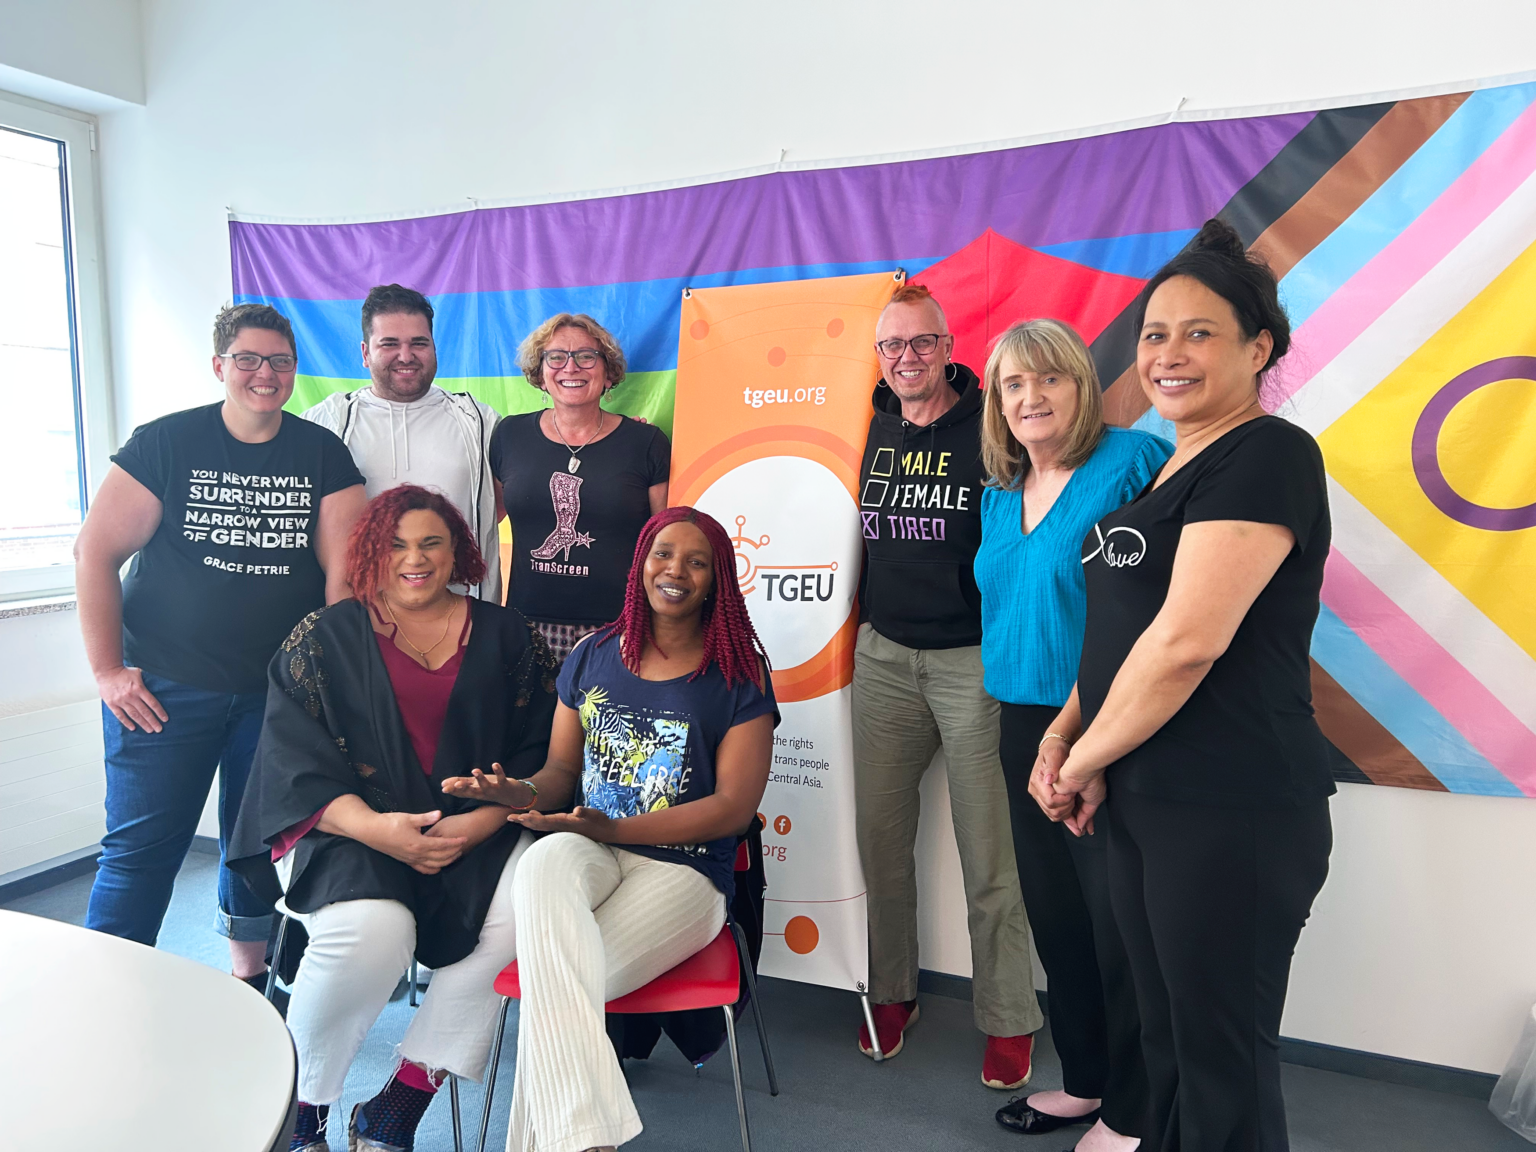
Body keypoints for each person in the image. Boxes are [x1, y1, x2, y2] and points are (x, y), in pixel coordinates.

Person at [1036, 219, 1334, 1152]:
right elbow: (1127, 638)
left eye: (1200, 333)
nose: (1168, 354)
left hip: (1230, 805)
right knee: (1165, 1043)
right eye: (1156, 334)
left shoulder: (1271, 455)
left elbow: (1186, 643)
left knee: (1219, 1063)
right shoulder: (1172, 466)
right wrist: (1064, 734)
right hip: (1147, 795)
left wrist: (1081, 759)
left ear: (1259, 348)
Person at [228, 485, 558, 1152]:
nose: (416, 558)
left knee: (528, 912)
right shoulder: (322, 638)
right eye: (398, 544)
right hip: (349, 826)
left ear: (458, 551)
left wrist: (486, 819)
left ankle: (401, 1101)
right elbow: (291, 761)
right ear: (371, 554)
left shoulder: (506, 633)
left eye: (432, 542)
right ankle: (305, 1114)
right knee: (371, 928)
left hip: (475, 826)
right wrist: (379, 831)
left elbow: (542, 748)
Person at [441, 506, 776, 1152]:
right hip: (590, 844)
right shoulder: (596, 655)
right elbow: (563, 770)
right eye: (662, 554)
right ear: (639, 565)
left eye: (696, 561)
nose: (674, 570)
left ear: (716, 580)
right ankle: (587, 1138)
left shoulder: (738, 674)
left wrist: (618, 832)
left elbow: (735, 807)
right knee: (539, 864)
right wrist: (520, 792)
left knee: (552, 983)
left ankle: (569, 1143)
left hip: (684, 868)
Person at [73, 303, 366, 995]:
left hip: (276, 692)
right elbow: (95, 553)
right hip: (163, 690)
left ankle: (248, 980)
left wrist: (334, 686)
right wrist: (108, 670)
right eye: (249, 360)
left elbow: (343, 581)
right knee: (142, 850)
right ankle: (99, 992)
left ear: (296, 370)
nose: (265, 374)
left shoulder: (322, 453)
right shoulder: (166, 443)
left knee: (255, 848)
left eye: (280, 362)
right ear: (220, 366)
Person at [973, 319, 1171, 1151]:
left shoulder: (1129, 464)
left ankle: (1135, 1108)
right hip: (1020, 728)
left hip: (1104, 728)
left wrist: (1085, 741)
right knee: (1058, 919)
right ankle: (1088, 1081)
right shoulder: (997, 491)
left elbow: (1161, 607)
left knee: (1120, 926)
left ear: (1081, 385)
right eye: (1013, 386)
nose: (1030, 398)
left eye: (1047, 379)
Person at [851, 282, 1041, 1089]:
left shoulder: (991, 429)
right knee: (880, 844)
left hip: (974, 664)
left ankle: (1008, 1017)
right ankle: (893, 992)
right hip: (882, 658)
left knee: (989, 855)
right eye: (892, 346)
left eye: (921, 343)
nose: (906, 359)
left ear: (949, 345)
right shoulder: (867, 427)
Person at [303, 284, 504, 602]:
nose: (406, 356)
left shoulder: (480, 421)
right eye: (390, 344)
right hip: (363, 626)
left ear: (435, 347)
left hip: (465, 628)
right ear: (365, 353)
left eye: (419, 343)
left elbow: (501, 506)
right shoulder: (325, 423)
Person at [490, 313, 669, 661]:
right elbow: (487, 520)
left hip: (619, 626)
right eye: (556, 357)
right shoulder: (509, 436)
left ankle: (564, 534)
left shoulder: (645, 442)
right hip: (528, 624)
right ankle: (563, 533)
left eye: (586, 356)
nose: (570, 367)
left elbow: (664, 539)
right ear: (540, 373)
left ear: (607, 372)